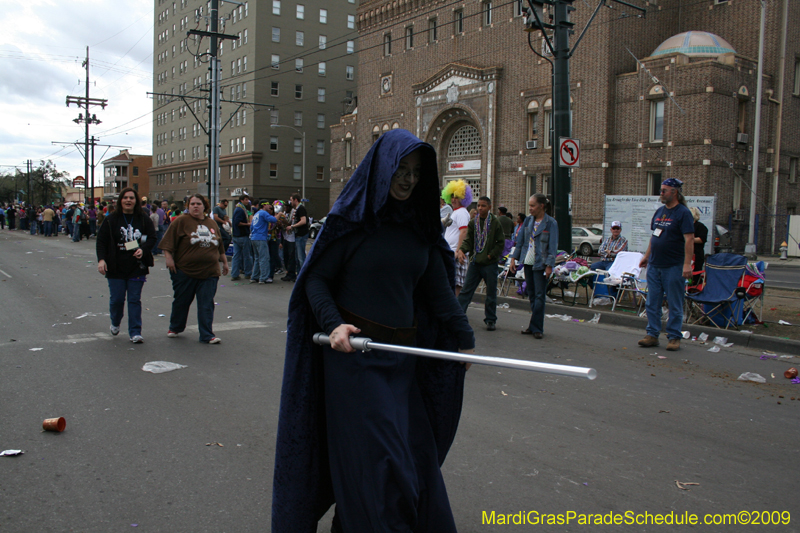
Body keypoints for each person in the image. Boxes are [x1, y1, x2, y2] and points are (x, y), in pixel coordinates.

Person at [272, 129, 475, 533]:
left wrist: (464, 343)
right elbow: (315, 280)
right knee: (384, 463)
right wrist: (333, 325)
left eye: (416, 172)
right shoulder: (352, 224)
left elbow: (440, 298)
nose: (408, 179)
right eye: (401, 169)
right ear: (382, 169)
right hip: (355, 364)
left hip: (403, 366)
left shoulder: (420, 232)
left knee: (416, 462)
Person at [159, 194, 229, 344]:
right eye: (192, 204)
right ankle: (175, 327)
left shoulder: (211, 223)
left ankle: (207, 334)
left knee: (206, 303)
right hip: (185, 271)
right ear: (188, 206)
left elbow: (219, 244)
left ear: (205, 207)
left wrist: (224, 262)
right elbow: (167, 242)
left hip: (209, 271)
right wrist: (169, 258)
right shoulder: (180, 221)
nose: (195, 206)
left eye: (199, 204)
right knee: (182, 301)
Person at [638, 178, 694, 351]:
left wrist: (687, 264)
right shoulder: (660, 212)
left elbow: (689, 238)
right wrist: (647, 256)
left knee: (674, 302)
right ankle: (652, 334)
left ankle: (674, 336)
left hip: (673, 265)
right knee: (652, 302)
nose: (661, 193)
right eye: (661, 190)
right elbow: (655, 236)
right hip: (655, 265)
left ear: (674, 192)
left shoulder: (683, 213)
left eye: (664, 190)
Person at [96, 187, 157, 343]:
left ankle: (135, 332)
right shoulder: (111, 220)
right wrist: (101, 260)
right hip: (115, 266)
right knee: (117, 300)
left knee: (134, 300)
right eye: (125, 198)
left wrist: (143, 250)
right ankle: (115, 322)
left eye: (131, 198)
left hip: (137, 266)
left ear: (136, 201)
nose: (128, 200)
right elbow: (101, 241)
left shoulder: (143, 219)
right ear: (120, 201)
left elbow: (151, 238)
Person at [509, 194, 559, 339]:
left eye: (532, 205)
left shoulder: (551, 223)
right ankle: (533, 325)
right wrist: (514, 258)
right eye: (529, 205)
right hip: (528, 261)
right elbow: (521, 241)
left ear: (541, 206)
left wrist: (549, 265)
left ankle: (537, 328)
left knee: (539, 296)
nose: (529, 208)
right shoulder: (528, 221)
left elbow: (553, 246)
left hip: (541, 263)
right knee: (531, 293)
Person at [456, 196, 506, 331]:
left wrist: (491, 255)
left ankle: (490, 320)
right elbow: (468, 240)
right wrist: (462, 250)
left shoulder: (495, 222)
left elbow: (500, 242)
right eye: (478, 205)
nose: (480, 208)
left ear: (489, 207)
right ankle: (458, 317)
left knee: (490, 293)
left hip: (490, 264)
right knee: (466, 290)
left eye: (483, 206)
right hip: (475, 262)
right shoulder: (473, 222)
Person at [441, 179, 472, 296]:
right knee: (451, 282)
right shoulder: (456, 212)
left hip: (457, 253)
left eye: (457, 197)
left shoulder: (462, 212)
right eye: (452, 196)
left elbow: (464, 231)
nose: (454, 199)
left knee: (456, 284)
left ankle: (455, 309)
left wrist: (459, 251)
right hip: (451, 252)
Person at [588, 221, 628, 288]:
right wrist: (609, 253)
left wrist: (609, 252)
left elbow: (619, 253)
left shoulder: (624, 240)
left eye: (617, 228)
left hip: (614, 263)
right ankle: (595, 289)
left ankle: (611, 293)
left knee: (610, 273)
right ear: (611, 230)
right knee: (590, 269)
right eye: (614, 228)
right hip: (603, 261)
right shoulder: (607, 239)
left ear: (620, 230)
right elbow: (600, 251)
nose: (616, 230)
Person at [250, 201, 277, 284]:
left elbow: (251, 226)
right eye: (268, 205)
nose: (269, 207)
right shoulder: (263, 213)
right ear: (264, 205)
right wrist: (279, 215)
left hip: (254, 237)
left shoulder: (256, 214)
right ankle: (263, 277)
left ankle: (254, 276)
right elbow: (273, 219)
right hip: (261, 238)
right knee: (264, 258)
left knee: (257, 258)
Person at [230, 194, 253, 281]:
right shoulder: (240, 210)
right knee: (247, 255)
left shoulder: (238, 209)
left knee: (236, 255)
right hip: (242, 235)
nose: (247, 201)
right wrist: (247, 224)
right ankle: (248, 273)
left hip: (236, 235)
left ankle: (235, 274)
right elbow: (237, 222)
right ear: (242, 200)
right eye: (246, 199)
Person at [288, 193, 310, 269]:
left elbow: (303, 221)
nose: (290, 202)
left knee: (301, 257)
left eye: (291, 200)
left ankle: (303, 275)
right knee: (297, 257)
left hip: (301, 235)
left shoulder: (301, 208)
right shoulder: (296, 209)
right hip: (298, 235)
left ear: (295, 200)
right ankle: (299, 275)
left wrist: (292, 226)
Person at [689, 206, 708, 285]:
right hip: (685, 253)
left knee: (695, 272)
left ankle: (694, 287)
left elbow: (702, 239)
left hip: (696, 254)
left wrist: (689, 239)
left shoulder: (701, 227)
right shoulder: (683, 226)